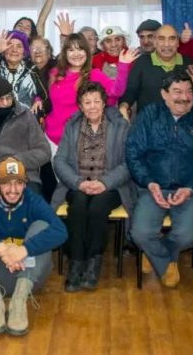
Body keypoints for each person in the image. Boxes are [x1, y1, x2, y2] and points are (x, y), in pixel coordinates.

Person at [126, 71, 193, 288]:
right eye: (177, 92)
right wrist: (149, 182)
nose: (184, 97)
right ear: (164, 94)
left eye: (189, 91)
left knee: (187, 237)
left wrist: (191, 187)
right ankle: (166, 260)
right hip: (153, 187)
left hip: (191, 190)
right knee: (139, 234)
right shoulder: (149, 115)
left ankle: (154, 254)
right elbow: (133, 153)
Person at [0, 157, 67, 336]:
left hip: (30, 275)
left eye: (19, 183)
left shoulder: (34, 200)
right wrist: (1, 248)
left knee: (42, 226)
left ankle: (19, 302)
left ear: (26, 184)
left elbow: (60, 230)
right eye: (6, 183)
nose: (13, 190)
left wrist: (24, 250)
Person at [52, 82, 135, 292]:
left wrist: (104, 183)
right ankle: (76, 262)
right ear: (80, 106)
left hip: (110, 186)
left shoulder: (121, 126)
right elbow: (60, 161)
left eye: (96, 101)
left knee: (97, 207)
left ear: (104, 103)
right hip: (78, 184)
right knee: (78, 205)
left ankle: (93, 263)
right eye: (87, 102)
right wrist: (79, 183)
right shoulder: (72, 126)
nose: (92, 106)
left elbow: (129, 163)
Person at [44, 33, 135, 146]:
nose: (76, 54)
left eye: (80, 49)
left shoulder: (95, 75)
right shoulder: (55, 73)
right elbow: (44, 95)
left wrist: (123, 66)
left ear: (86, 52)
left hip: (79, 142)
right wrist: (38, 98)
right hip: (50, 138)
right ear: (65, 53)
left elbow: (116, 91)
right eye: (71, 50)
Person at [119, 25, 193, 119]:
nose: (166, 44)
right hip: (148, 125)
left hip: (182, 124)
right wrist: (124, 106)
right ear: (155, 43)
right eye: (161, 39)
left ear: (178, 43)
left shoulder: (188, 63)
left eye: (171, 39)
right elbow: (130, 91)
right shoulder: (142, 62)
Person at [0, 30, 48, 113]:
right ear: (4, 49)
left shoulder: (32, 69)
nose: (14, 50)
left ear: (24, 51)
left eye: (19, 46)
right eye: (10, 45)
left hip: (26, 121)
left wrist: (39, 100)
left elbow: (45, 97)